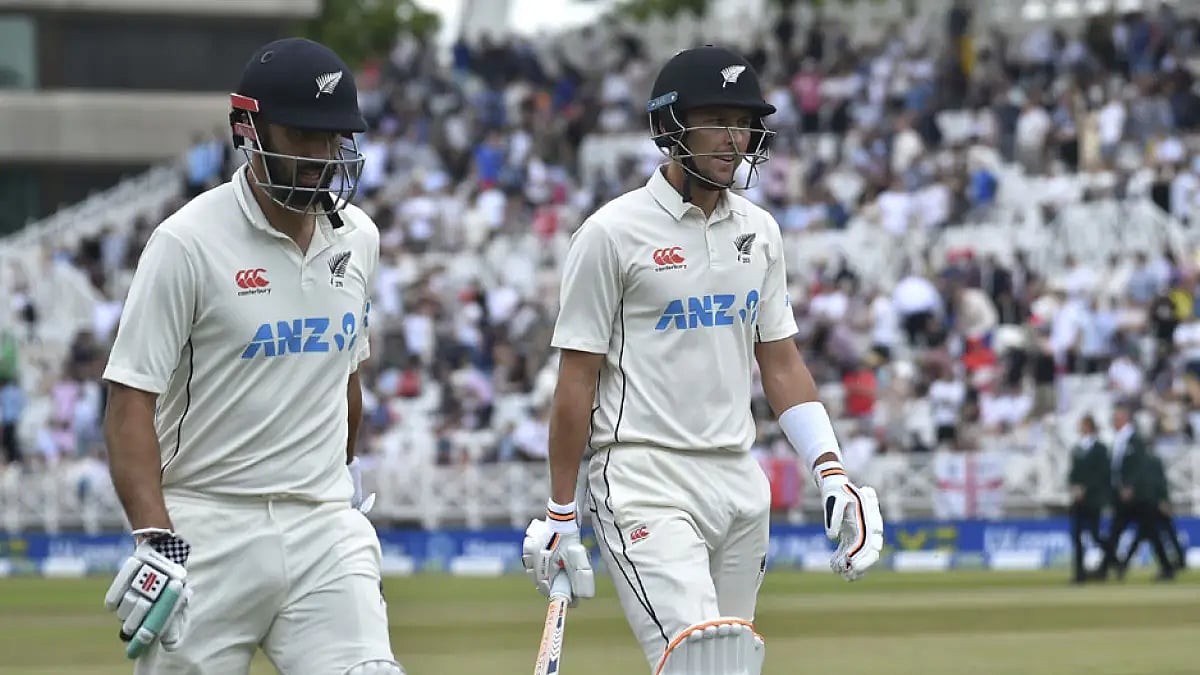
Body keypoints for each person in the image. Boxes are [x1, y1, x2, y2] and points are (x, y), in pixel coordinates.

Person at [521, 46, 884, 675]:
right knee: (701, 663)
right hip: (642, 479)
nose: (734, 137)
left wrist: (831, 470)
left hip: (739, 481)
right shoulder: (611, 234)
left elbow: (781, 362)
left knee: (731, 666)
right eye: (715, 118)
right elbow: (575, 383)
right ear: (670, 128)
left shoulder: (760, 230)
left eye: (742, 122)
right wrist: (559, 511)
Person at [100, 37, 403, 674]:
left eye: (334, 137)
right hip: (209, 526)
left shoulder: (361, 239)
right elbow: (130, 401)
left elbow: (347, 383)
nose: (322, 157)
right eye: (302, 135)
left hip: (323, 525)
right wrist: (157, 541)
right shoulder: (185, 243)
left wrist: (330, 481)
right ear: (248, 128)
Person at [1099, 404, 1172, 582]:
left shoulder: (1135, 439)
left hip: (1138, 496)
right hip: (1121, 495)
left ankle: (1166, 569)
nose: (1113, 421)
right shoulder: (1118, 440)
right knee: (1116, 532)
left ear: (1124, 419)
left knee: (1150, 532)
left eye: (1116, 418)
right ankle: (1108, 567)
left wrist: (1130, 486)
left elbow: (1139, 467)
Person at [1067, 414, 1109, 583]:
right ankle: (1079, 574)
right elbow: (1073, 473)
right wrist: (1074, 487)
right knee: (1076, 536)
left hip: (1093, 499)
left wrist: (1086, 488)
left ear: (1089, 427)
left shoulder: (1100, 449)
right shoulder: (1077, 448)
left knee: (1095, 534)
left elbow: (1102, 474)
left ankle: (1111, 557)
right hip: (1078, 500)